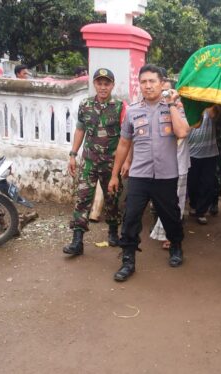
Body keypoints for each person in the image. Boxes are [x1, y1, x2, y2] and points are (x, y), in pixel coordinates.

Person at [108, 64, 190, 282]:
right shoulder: (133, 111)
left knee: (171, 216)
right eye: (143, 82)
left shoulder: (175, 107)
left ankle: (176, 246)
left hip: (166, 175)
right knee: (131, 217)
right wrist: (115, 175)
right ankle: (128, 260)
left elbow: (182, 132)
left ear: (162, 83)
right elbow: (124, 143)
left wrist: (171, 104)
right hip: (139, 175)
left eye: (152, 81)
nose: (147, 86)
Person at [63, 68, 127, 256]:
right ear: (94, 85)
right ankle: (77, 241)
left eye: (106, 83)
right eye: (99, 83)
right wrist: (73, 154)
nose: (102, 87)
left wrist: (125, 162)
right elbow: (80, 130)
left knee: (112, 199)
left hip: (111, 163)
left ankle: (114, 231)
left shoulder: (120, 106)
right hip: (89, 162)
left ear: (112, 85)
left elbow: (126, 137)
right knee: (82, 199)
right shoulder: (85, 105)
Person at [150, 78, 190, 248]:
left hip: (178, 164)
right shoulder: (150, 110)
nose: (164, 95)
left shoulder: (182, 111)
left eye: (168, 92)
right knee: (160, 201)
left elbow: (183, 132)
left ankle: (171, 236)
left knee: (176, 202)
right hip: (157, 164)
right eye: (162, 91)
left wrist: (173, 106)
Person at [187, 105, 221, 224]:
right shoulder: (188, 108)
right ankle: (194, 205)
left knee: (207, 184)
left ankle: (201, 211)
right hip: (191, 153)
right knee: (192, 183)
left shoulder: (212, 107)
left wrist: (214, 107)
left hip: (210, 154)